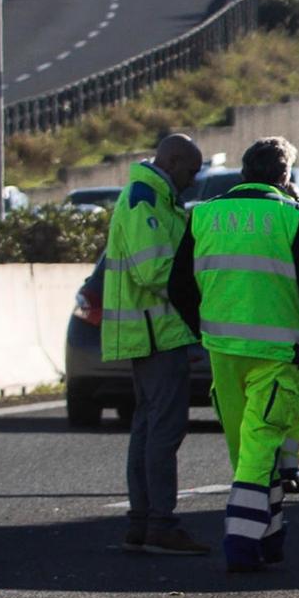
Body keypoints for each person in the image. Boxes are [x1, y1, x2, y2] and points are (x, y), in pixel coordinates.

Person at [169, 137, 299, 574]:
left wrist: (202, 327)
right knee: (261, 447)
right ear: (284, 177)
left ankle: (270, 536)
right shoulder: (291, 216)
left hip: (222, 350)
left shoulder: (204, 215)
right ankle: (241, 544)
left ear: (244, 173)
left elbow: (179, 286)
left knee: (247, 450)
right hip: (277, 351)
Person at [102, 133, 209, 556]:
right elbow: (154, 271)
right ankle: (160, 522)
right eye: (191, 171)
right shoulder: (145, 198)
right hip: (155, 331)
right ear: (173, 160)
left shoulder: (156, 197)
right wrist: (201, 290)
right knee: (162, 430)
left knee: (148, 429)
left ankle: (143, 521)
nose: (193, 180)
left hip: (152, 331)